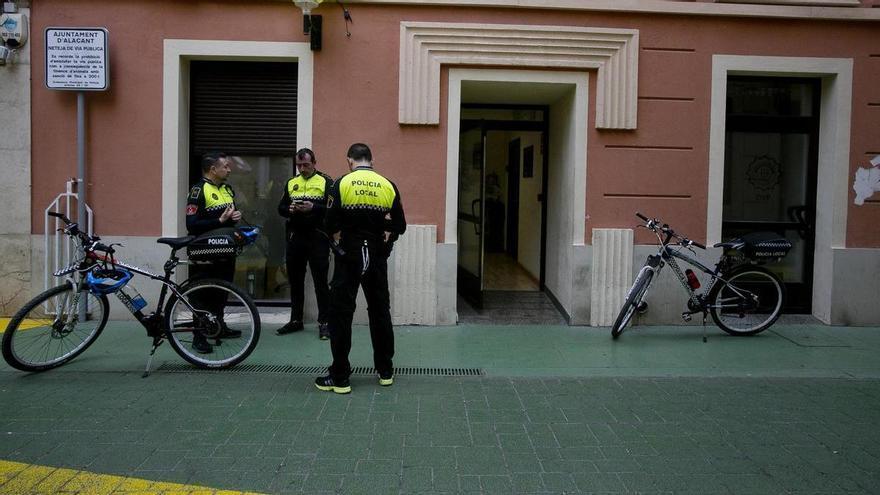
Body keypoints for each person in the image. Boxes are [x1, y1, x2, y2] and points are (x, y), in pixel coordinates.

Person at [315, 143, 406, 394]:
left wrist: (348, 224)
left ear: (349, 160)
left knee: (341, 314)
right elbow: (400, 225)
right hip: (376, 254)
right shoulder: (387, 185)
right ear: (372, 160)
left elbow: (329, 223)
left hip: (349, 254)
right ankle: (385, 371)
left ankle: (341, 377)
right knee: (380, 311)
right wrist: (381, 237)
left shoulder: (341, 184)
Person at [185, 152, 243, 353]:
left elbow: (229, 218)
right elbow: (191, 225)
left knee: (223, 291)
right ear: (213, 169)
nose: (229, 169)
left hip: (225, 249)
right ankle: (198, 336)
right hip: (205, 252)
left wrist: (234, 217)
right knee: (202, 294)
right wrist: (219, 221)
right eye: (225, 166)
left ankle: (219, 327)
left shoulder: (227, 189)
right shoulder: (197, 191)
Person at [276, 148, 333, 339]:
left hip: (318, 238)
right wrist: (290, 209)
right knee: (296, 281)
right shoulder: (292, 183)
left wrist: (314, 207)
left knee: (320, 283)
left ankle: (325, 322)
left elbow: (333, 210)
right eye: (299, 165)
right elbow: (281, 208)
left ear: (314, 163)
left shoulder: (326, 181)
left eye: (306, 165)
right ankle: (295, 320)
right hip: (295, 238)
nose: (302, 169)